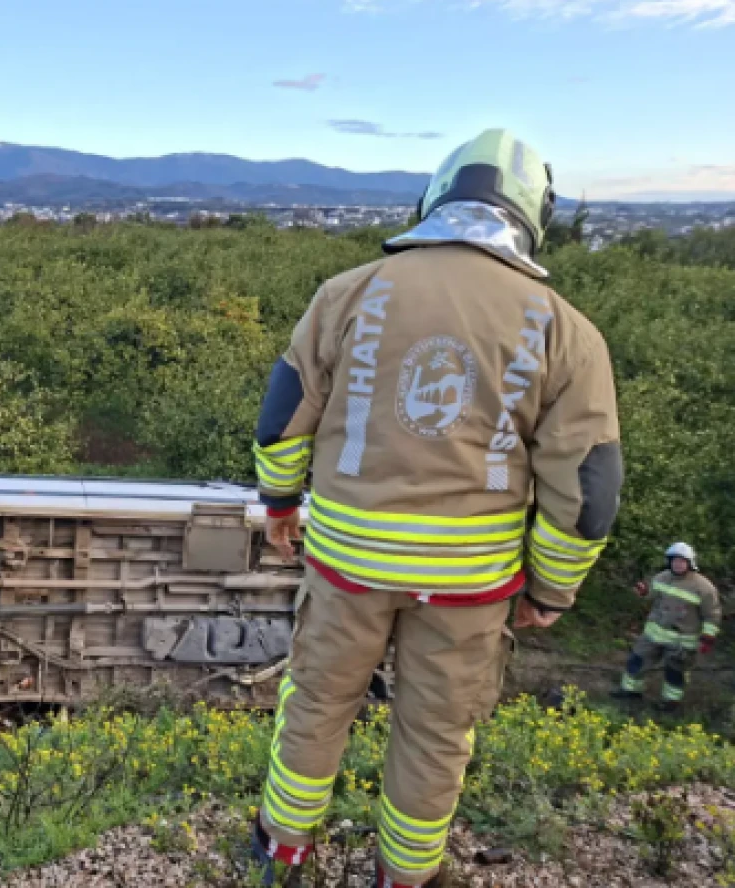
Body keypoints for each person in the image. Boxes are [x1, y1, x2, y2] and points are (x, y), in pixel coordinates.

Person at [248, 129, 623, 888]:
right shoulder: (565, 330)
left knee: (317, 701)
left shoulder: (348, 293)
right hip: (467, 585)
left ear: (434, 198)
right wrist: (550, 589)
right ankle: (406, 875)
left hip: (349, 565)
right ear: (531, 216)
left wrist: (282, 504)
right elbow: (586, 491)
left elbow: (282, 421)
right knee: (436, 733)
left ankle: (282, 852)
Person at [612, 542, 721, 713]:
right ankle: (630, 691)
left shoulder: (704, 588)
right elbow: (651, 595)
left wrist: (708, 636)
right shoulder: (662, 577)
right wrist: (643, 592)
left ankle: (670, 703)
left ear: (690, 563)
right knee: (636, 661)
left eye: (682, 561)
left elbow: (712, 614)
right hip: (653, 634)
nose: (677, 564)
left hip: (682, 640)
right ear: (669, 561)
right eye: (674, 560)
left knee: (675, 673)